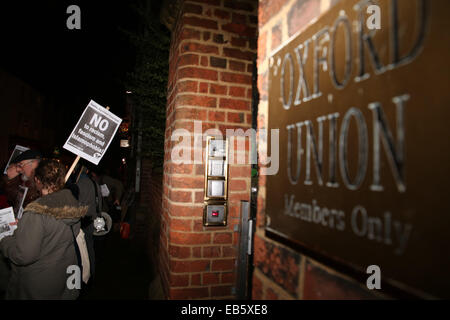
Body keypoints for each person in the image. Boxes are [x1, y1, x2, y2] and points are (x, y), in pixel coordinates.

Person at [0, 159, 87, 299]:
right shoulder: (71, 203)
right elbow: (58, 231)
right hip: (64, 276)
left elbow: (24, 255)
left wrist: (5, 240)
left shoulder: (36, 212)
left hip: (38, 285)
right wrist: (24, 225)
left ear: (38, 180)